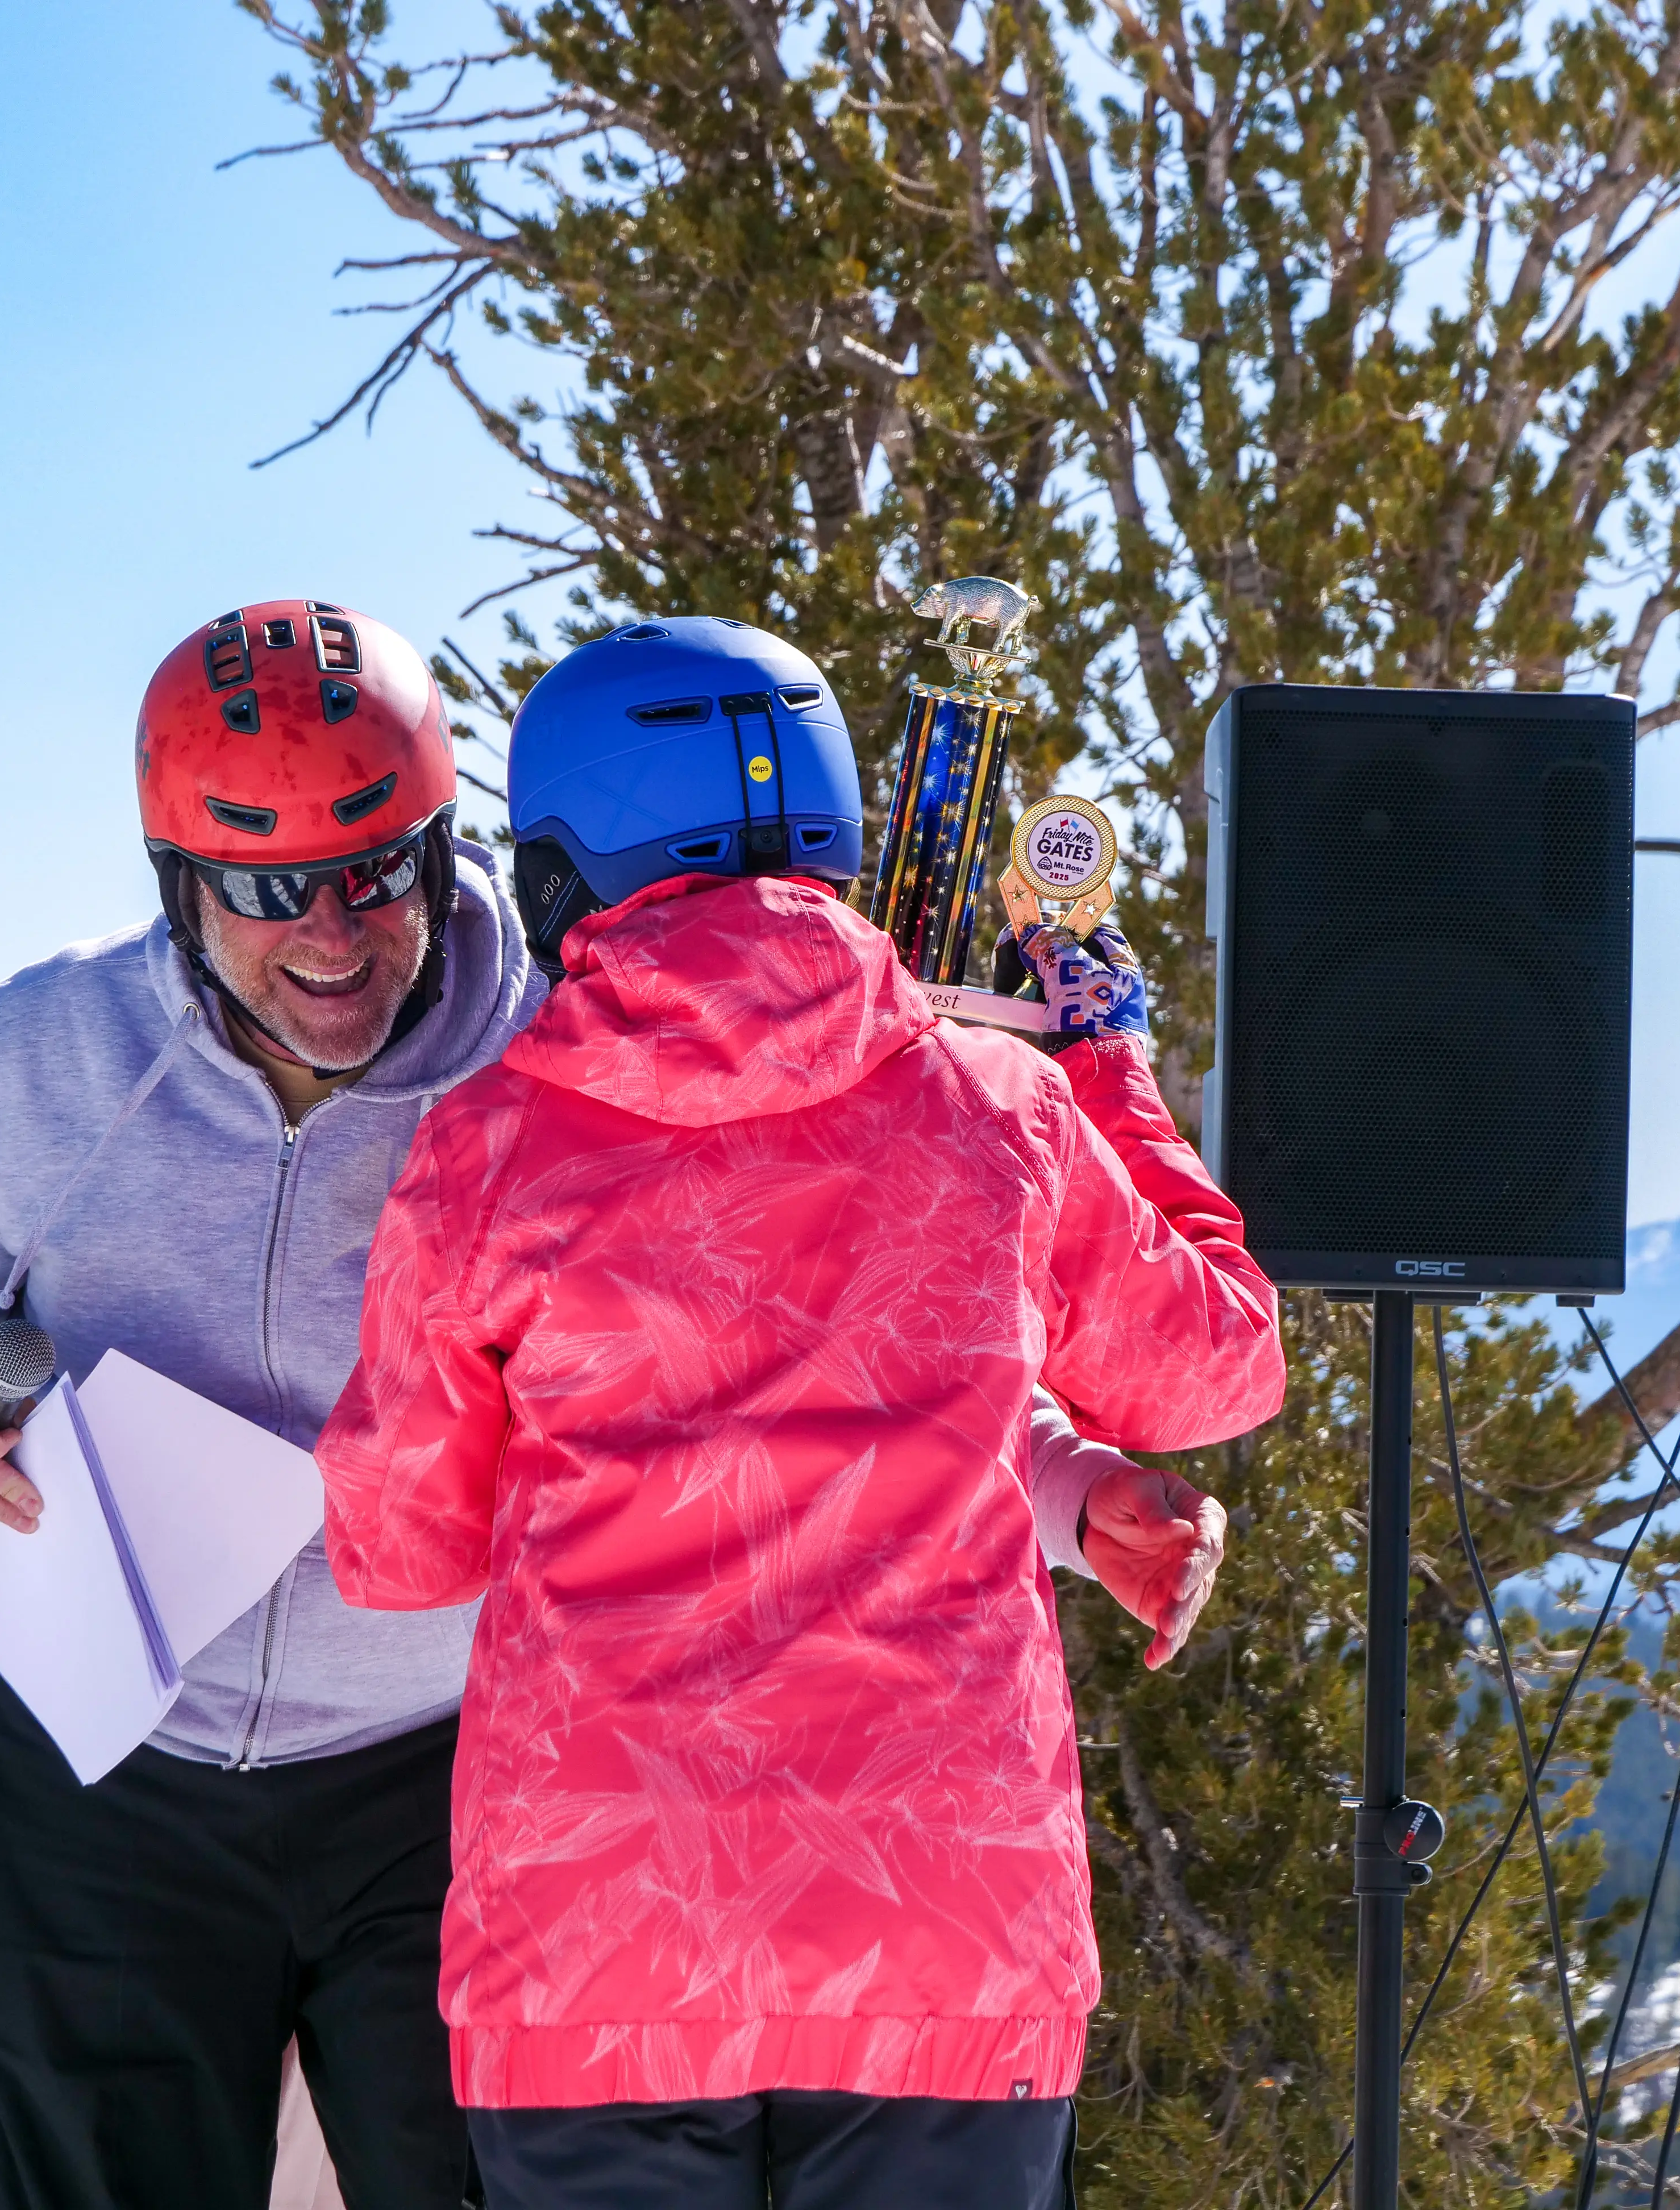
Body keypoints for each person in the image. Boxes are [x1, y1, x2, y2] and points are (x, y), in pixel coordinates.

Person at [313, 616, 1286, 2210]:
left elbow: (398, 1550)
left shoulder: (489, 1148)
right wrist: (1106, 1063)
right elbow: (1219, 1365)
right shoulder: (1003, 1105)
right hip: (947, 1931)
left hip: (599, 1940)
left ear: (562, 866)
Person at [0, 600, 546, 2209]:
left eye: (371, 878)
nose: (333, 939)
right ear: (179, 882)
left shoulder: (551, 1063)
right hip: (105, 1769)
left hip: (452, 1768)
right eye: (269, 892)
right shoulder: (46, 1056)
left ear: (435, 852)